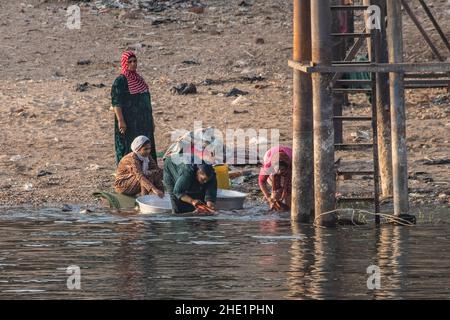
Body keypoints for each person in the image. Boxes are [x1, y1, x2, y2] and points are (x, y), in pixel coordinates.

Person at [111, 51, 157, 165]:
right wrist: (121, 121)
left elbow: (146, 102)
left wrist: (151, 120)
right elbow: (116, 102)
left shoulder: (139, 79)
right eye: (130, 62)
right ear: (124, 63)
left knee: (146, 146)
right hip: (129, 123)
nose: (133, 64)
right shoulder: (120, 81)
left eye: (135, 61)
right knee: (130, 148)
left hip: (144, 122)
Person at [258, 146, 292, 212]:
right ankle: (274, 207)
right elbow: (261, 181)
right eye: (278, 170)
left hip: (289, 158)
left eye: (282, 169)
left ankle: (289, 209)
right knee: (276, 192)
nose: (279, 172)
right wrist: (268, 197)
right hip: (271, 157)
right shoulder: (268, 165)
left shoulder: (292, 163)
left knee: (288, 190)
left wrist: (286, 191)